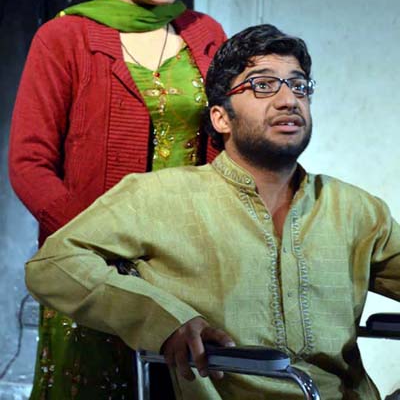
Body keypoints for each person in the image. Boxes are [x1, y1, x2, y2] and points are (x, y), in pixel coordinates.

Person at [25, 23, 400, 400]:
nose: (289, 100)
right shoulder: (161, 197)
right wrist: (162, 319)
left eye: (299, 86)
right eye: (263, 85)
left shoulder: (355, 209)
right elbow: (53, 264)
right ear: (221, 118)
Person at [9, 0, 226, 398]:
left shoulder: (205, 35)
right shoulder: (65, 38)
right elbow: (29, 163)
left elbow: (225, 150)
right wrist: (92, 243)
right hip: (93, 270)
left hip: (184, 267)